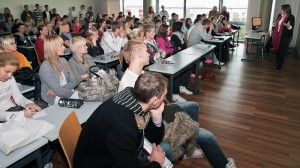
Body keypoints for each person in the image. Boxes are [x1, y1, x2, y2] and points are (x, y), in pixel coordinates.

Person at [118, 40, 237, 168]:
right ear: (139, 55)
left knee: (193, 106)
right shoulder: (128, 84)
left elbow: (153, 101)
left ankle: (187, 148)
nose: (149, 54)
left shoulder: (140, 73)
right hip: (150, 126)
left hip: (155, 113)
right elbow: (141, 123)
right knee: (207, 137)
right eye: (146, 51)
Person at [0, 52, 41, 122]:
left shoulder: (10, 78)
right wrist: (20, 114)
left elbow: (18, 97)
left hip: (12, 109)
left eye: (12, 73)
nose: (10, 76)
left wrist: (28, 103)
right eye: (7, 71)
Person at [39, 35, 78, 105]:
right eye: (61, 45)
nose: (64, 47)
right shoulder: (45, 67)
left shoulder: (63, 60)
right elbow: (60, 92)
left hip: (66, 93)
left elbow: (74, 81)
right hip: (54, 100)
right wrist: (78, 94)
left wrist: (60, 89)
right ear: (53, 48)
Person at [272, 4, 295, 70]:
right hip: (277, 35)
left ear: (286, 10)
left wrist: (288, 26)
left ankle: (279, 64)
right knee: (276, 50)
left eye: (281, 9)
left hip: (286, 37)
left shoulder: (291, 17)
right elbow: (276, 23)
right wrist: (274, 24)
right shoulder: (279, 16)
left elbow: (291, 28)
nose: (280, 10)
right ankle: (278, 61)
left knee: (282, 51)